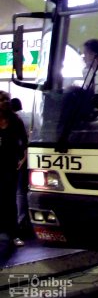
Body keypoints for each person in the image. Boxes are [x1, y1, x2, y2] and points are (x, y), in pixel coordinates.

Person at [0, 92, 27, 249]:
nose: (5, 102)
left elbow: (24, 142)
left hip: (10, 166)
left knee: (10, 200)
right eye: (1, 100)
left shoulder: (16, 121)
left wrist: (22, 160)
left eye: (7, 99)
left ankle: (14, 234)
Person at [10, 98, 30, 240]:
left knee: (17, 192)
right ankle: (21, 221)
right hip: (21, 159)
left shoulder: (16, 120)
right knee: (20, 191)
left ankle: (19, 222)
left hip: (16, 160)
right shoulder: (27, 117)